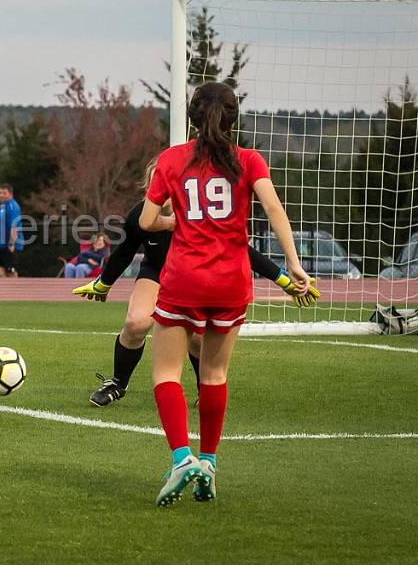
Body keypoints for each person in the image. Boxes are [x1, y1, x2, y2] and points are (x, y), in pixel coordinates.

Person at [137, 82, 310, 507]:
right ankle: (209, 463)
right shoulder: (248, 160)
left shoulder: (171, 160)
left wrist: (170, 224)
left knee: (166, 374)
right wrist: (293, 263)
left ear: (193, 117)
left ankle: (182, 458)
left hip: (185, 278)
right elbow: (273, 209)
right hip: (232, 280)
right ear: (234, 118)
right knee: (214, 375)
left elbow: (145, 220)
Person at [74, 163, 320, 408]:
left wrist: (284, 280)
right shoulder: (140, 215)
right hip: (156, 273)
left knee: (196, 336)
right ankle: (118, 383)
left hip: (191, 276)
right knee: (136, 322)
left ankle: (206, 388)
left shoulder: (199, 213)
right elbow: (124, 253)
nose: (160, 186)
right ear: (149, 187)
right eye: (155, 181)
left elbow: (242, 250)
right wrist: (103, 284)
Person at [0, 183, 24, 277]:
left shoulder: (12, 206)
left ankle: (13, 289)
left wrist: (11, 243)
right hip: (0, 244)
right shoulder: (1, 206)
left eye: (4, 193)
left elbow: (14, 226)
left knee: (11, 270)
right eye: (0, 193)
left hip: (10, 244)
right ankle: (6, 286)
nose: (1, 195)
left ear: (10, 194)